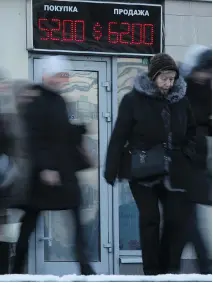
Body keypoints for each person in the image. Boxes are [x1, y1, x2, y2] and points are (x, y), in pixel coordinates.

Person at [104, 53, 199, 275]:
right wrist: (111, 169)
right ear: (153, 76)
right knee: (150, 219)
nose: (169, 83)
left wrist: (188, 152)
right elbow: (119, 135)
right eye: (164, 78)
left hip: (173, 169)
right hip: (142, 168)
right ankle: (152, 272)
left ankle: (169, 269)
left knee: (175, 220)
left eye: (172, 78)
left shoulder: (181, 101)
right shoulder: (133, 100)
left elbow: (192, 131)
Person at [11, 56, 96, 275]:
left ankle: (85, 267)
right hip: (44, 173)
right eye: (59, 75)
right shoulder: (36, 101)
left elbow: (62, 133)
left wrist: (81, 130)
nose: (62, 80)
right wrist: (45, 167)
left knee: (74, 215)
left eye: (64, 76)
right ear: (46, 75)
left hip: (63, 169)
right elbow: (33, 138)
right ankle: (17, 268)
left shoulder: (58, 101)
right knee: (30, 221)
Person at [178, 46, 212, 274]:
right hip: (181, 161)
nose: (206, 76)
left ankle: (201, 264)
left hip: (197, 162)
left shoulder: (204, 90)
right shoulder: (181, 89)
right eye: (203, 71)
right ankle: (204, 264)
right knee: (184, 218)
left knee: (186, 217)